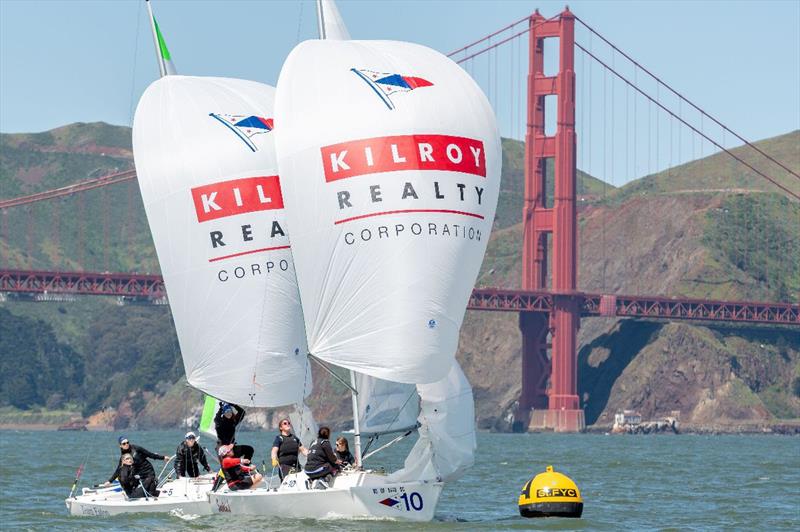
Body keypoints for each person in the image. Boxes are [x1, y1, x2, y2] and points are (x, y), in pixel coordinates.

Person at [105, 436, 169, 498]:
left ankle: (154, 498)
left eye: (127, 442)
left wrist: (163, 458)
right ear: (120, 446)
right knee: (146, 489)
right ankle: (152, 497)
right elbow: (118, 470)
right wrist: (110, 481)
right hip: (139, 475)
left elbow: (150, 454)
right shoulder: (124, 457)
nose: (126, 444)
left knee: (151, 484)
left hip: (148, 471)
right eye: (124, 443)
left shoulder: (136, 448)